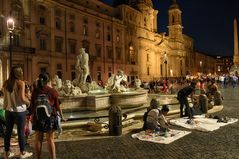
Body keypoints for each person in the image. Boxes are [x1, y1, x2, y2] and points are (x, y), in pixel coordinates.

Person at [2, 66, 33, 159]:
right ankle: (22, 153)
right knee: (20, 132)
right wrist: (29, 102)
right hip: (20, 111)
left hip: (8, 111)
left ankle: (7, 153)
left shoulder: (6, 83)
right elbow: (22, 98)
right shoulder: (21, 83)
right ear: (19, 73)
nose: (23, 73)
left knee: (8, 132)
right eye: (22, 71)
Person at [30, 72, 61, 159]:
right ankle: (53, 158)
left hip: (38, 117)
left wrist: (33, 116)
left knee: (38, 138)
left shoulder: (35, 91)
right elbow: (57, 106)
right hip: (50, 117)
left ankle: (38, 158)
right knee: (50, 139)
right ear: (49, 80)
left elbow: (32, 105)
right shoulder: (52, 91)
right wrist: (61, 116)